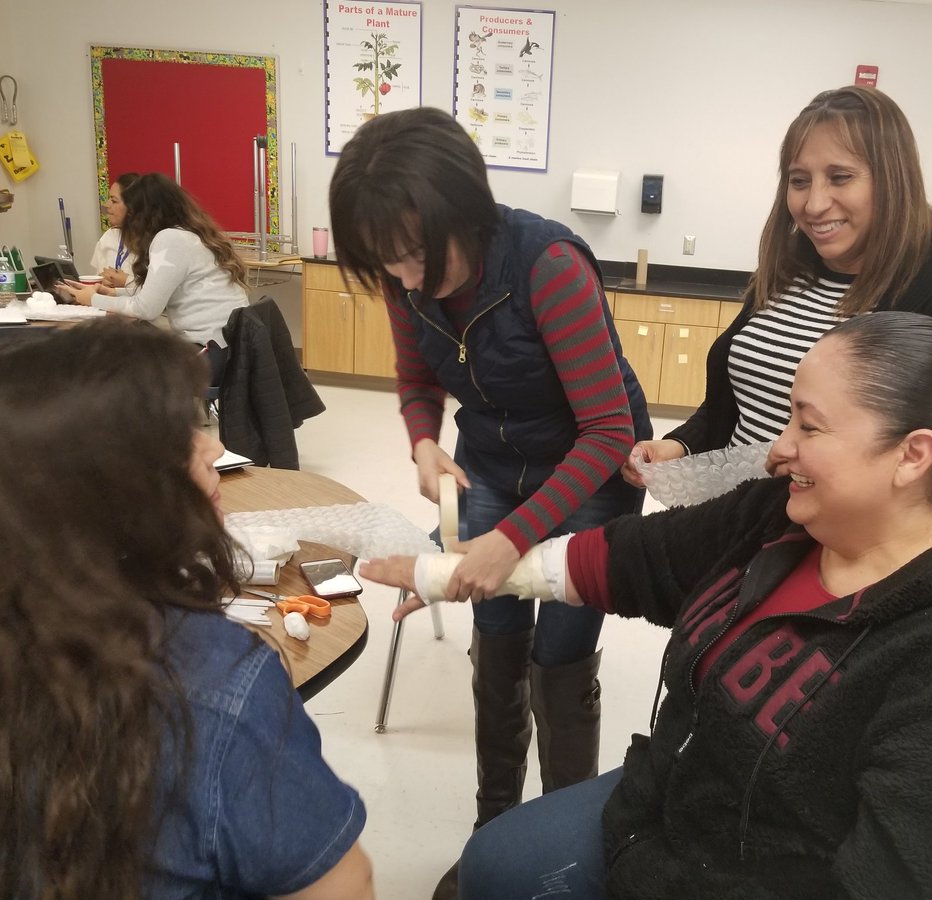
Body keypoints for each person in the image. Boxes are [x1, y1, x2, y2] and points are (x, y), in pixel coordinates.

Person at [365, 312, 932, 900]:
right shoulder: (783, 519)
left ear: (912, 455)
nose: (779, 448)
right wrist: (457, 571)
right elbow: (634, 559)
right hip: (671, 816)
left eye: (809, 426)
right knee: (490, 866)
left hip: (733, 873)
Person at [329, 107, 652, 899]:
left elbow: (608, 429)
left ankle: (565, 847)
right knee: (498, 646)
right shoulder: (406, 284)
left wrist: (513, 538)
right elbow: (416, 382)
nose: (403, 278)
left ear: (462, 216)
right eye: (385, 261)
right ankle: (495, 829)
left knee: (560, 659)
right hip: (492, 466)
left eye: (413, 255)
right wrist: (423, 443)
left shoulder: (546, 265)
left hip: (590, 471)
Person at [0, 319, 373, 898]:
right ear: (112, 486)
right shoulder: (214, 682)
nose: (216, 447)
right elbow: (343, 884)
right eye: (182, 435)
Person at [623, 85, 932, 485]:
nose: (814, 204)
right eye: (799, 181)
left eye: (840, 177)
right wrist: (680, 447)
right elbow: (739, 402)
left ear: (893, 180)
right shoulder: (792, 265)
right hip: (733, 519)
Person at [62, 172, 250, 382]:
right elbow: (158, 291)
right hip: (228, 349)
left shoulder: (169, 239)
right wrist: (113, 292)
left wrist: (93, 299)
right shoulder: (188, 233)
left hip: (211, 354)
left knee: (119, 364)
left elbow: (147, 309)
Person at [90, 170, 139, 288]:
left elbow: (156, 292)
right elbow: (96, 279)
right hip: (108, 303)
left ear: (132, 206)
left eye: (114, 200)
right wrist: (101, 283)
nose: (106, 205)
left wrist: (126, 282)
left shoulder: (155, 241)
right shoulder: (109, 237)